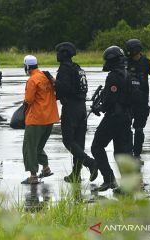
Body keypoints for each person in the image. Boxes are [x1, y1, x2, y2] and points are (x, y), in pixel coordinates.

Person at [53, 42, 98, 183]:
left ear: (65, 54)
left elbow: (64, 88)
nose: (57, 54)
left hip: (71, 107)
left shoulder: (65, 69)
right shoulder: (77, 68)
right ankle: (76, 174)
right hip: (81, 108)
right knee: (78, 142)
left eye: (59, 52)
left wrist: (52, 82)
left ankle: (90, 163)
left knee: (68, 141)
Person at [90, 46, 133, 191]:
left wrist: (99, 108)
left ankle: (109, 180)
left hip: (115, 117)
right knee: (120, 152)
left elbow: (110, 100)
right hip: (126, 117)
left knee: (96, 146)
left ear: (111, 60)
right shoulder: (127, 73)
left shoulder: (113, 76)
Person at [21, 55, 59, 184]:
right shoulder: (46, 77)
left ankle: (33, 176)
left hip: (36, 119)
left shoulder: (32, 80)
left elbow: (29, 100)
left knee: (29, 147)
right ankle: (46, 168)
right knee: (39, 146)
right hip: (50, 118)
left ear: (27, 66)